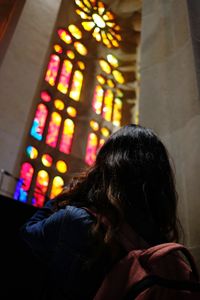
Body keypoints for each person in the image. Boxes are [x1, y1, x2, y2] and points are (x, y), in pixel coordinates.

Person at [19, 124, 182, 300]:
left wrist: (70, 192)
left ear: (105, 167)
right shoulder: (161, 249)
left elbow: (28, 233)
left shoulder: (78, 222)